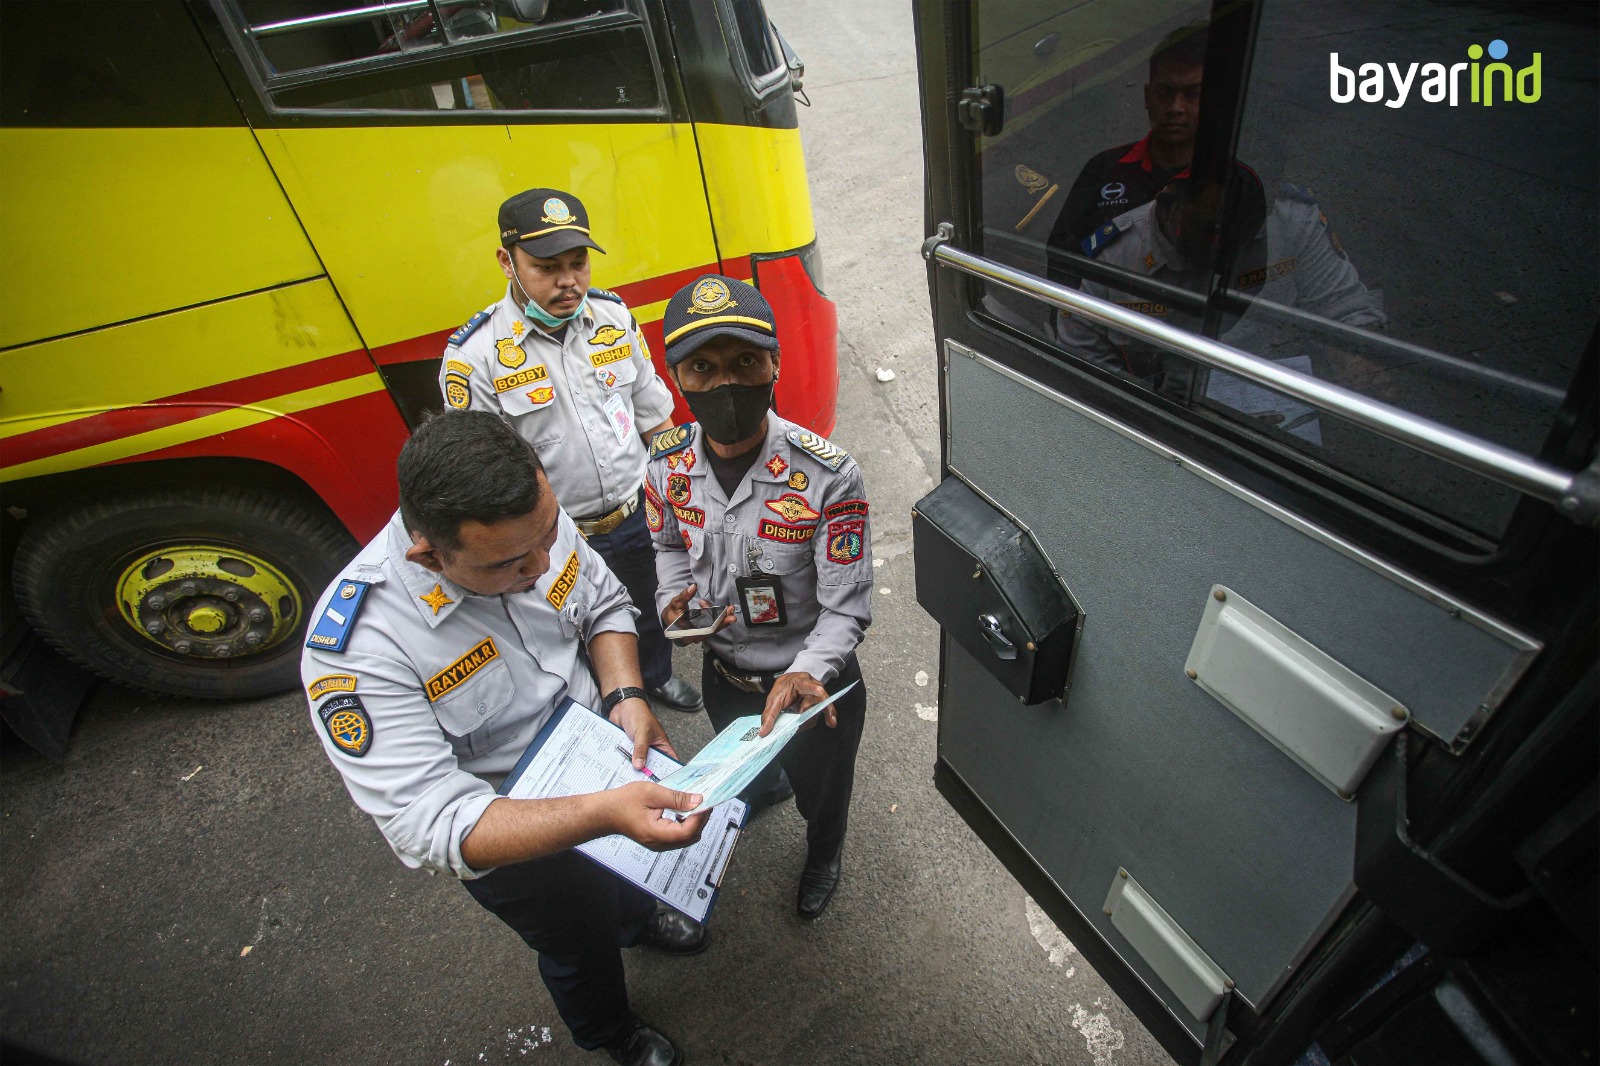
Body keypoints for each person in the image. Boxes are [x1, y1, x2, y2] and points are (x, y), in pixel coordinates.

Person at [301, 410, 710, 1066]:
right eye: (513, 565)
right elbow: (429, 822)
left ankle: (640, 919)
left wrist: (628, 697)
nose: (543, 563)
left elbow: (603, 608)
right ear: (429, 556)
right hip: (517, 836)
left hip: (608, 759)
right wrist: (600, 815)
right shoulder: (358, 649)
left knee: (635, 875)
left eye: (549, 536)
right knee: (577, 945)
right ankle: (612, 1033)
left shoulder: (530, 520)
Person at [642, 275, 873, 921]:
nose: (725, 386)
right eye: (702, 368)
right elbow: (664, 544)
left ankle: (824, 853)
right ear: (676, 378)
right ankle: (766, 787)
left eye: (744, 362)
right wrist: (670, 599)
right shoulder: (664, 468)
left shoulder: (828, 474)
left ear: (774, 362)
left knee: (822, 795)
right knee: (757, 777)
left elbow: (847, 605)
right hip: (725, 677)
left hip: (811, 693)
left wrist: (806, 671)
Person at [440, 186, 705, 721]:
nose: (568, 281)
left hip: (638, 511)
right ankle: (599, 710)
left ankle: (654, 676)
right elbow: (484, 476)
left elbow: (654, 413)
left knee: (645, 608)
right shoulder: (475, 359)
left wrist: (685, 494)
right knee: (570, 627)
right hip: (556, 536)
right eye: (546, 267)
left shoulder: (611, 316)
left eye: (578, 263)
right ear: (506, 263)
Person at [1047, 21, 1209, 264]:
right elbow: (1063, 258)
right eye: (1163, 93)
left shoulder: (1233, 181)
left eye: (1192, 95)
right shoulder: (1103, 169)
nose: (1175, 108)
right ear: (1147, 96)